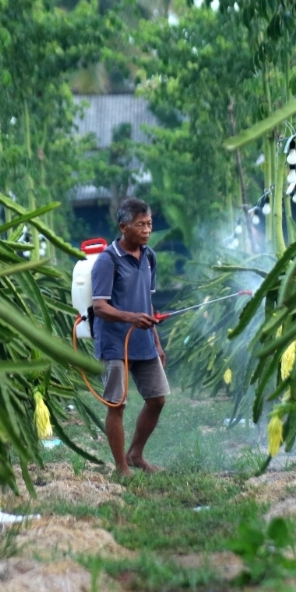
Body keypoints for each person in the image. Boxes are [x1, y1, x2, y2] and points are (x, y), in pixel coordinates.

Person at [91, 196, 170, 476]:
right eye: (140, 225)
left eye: (149, 224)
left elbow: (147, 303)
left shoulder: (149, 257)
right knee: (117, 405)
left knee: (157, 399)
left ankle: (135, 454)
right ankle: (121, 468)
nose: (147, 230)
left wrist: (156, 342)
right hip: (114, 345)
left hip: (143, 342)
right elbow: (99, 307)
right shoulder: (107, 261)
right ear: (124, 227)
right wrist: (131, 318)